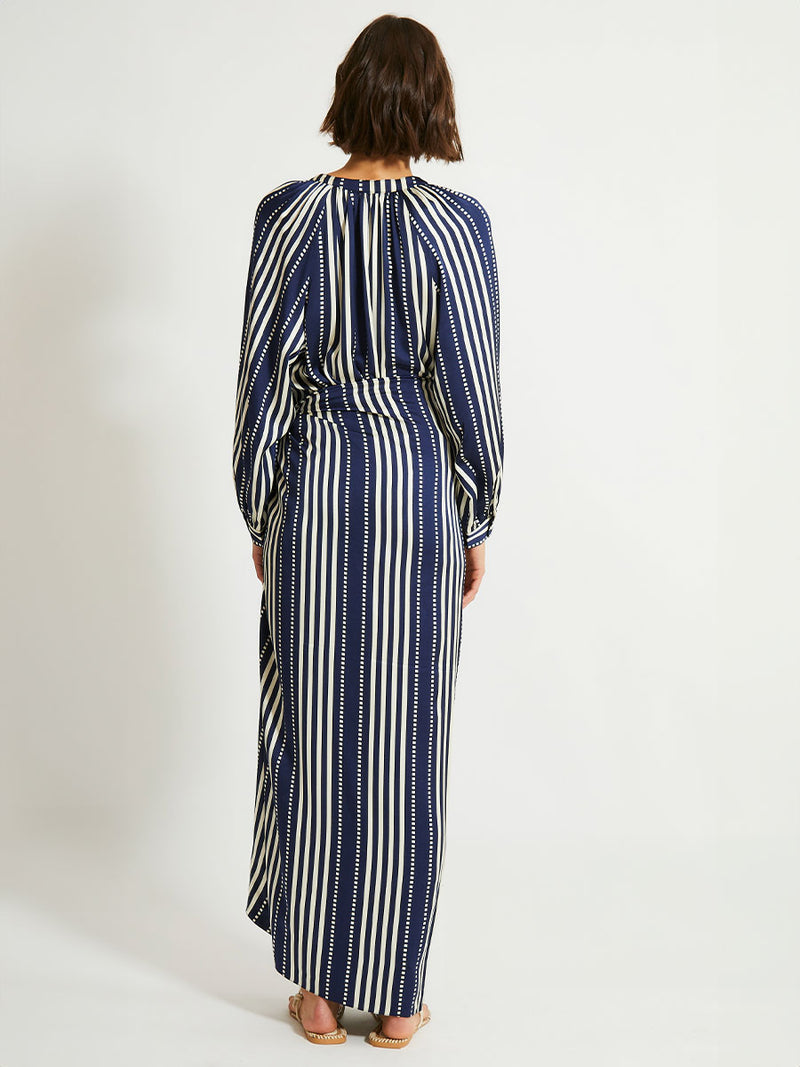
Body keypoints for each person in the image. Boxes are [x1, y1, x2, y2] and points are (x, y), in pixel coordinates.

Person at [232, 13, 504, 1048]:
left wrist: (262, 507)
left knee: (312, 728)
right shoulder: (456, 228)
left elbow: (260, 382)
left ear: (346, 91)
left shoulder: (286, 219)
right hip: (415, 501)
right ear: (432, 99)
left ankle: (312, 988)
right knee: (406, 744)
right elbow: (468, 386)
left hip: (315, 497)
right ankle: (392, 995)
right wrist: (475, 511)